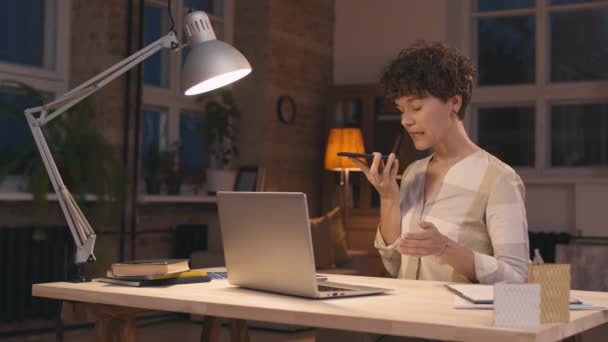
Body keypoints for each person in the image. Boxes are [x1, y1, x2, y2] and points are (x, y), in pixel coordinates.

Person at [349, 41, 529, 284]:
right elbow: (394, 266)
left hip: (459, 321)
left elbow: (517, 278)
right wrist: (389, 197)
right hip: (408, 317)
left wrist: (445, 248)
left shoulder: (499, 179)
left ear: (454, 102)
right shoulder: (414, 173)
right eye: (401, 109)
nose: (405, 120)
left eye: (416, 107)